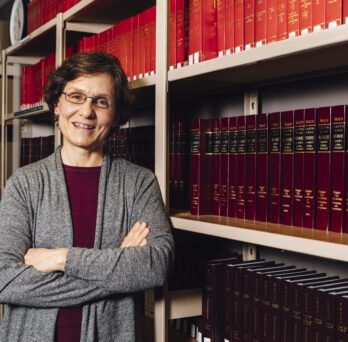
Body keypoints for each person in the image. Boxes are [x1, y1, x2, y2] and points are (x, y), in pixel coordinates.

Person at [0, 52, 174, 341]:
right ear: (57, 104)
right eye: (76, 97)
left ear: (116, 114)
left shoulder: (139, 183)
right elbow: (5, 280)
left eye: (101, 101)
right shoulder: (24, 183)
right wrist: (118, 276)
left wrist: (61, 258)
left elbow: (156, 266)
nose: (86, 112)